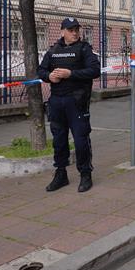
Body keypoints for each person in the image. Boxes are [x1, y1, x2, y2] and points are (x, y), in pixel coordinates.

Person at [37, 17, 100, 193]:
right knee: (59, 140)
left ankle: (85, 174)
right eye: (71, 30)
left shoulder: (84, 49)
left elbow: (95, 70)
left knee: (80, 140)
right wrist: (49, 76)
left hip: (77, 101)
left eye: (76, 30)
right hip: (57, 101)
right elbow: (41, 70)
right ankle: (61, 173)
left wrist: (70, 73)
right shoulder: (53, 50)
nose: (75, 33)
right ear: (62, 32)